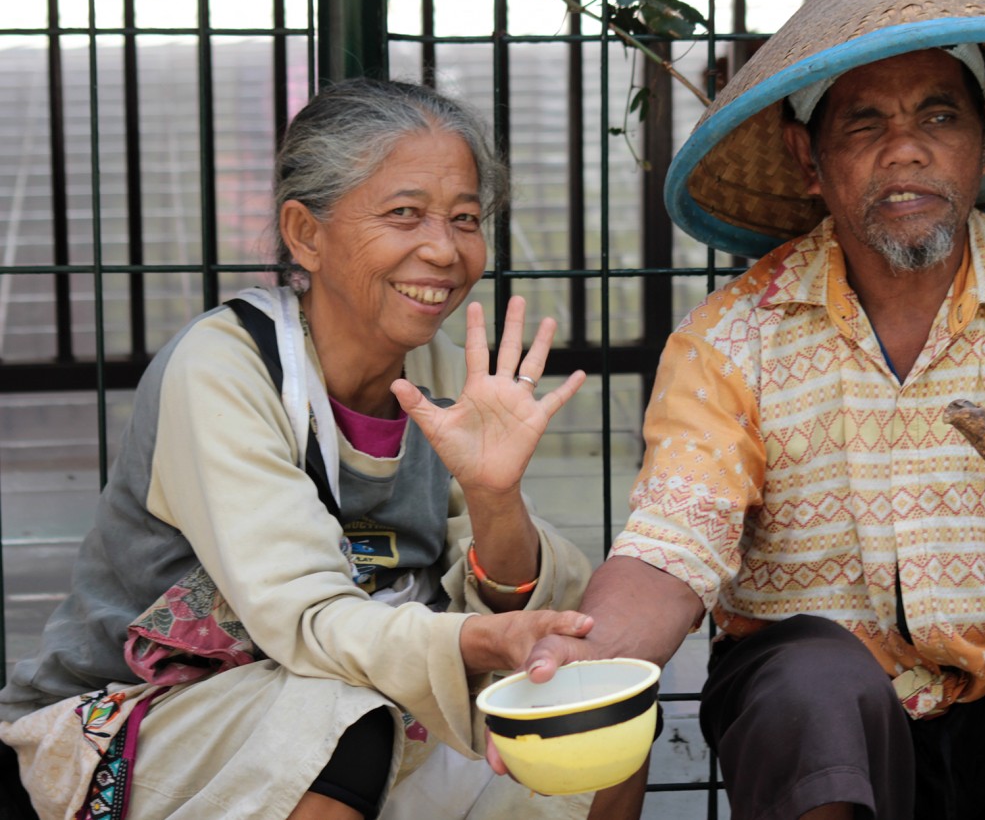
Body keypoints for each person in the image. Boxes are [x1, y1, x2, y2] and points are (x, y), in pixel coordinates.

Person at [521, 0, 985, 819]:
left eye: (939, 118)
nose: (906, 151)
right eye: (865, 123)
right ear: (807, 158)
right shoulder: (730, 337)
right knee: (810, 689)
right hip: (832, 716)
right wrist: (577, 666)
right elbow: (671, 548)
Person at [0, 78, 597, 820]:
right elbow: (308, 620)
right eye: (405, 214)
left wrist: (494, 495)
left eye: (466, 218)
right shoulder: (226, 367)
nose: (443, 250)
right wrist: (480, 638)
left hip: (354, 695)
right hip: (134, 722)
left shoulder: (446, 376)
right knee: (338, 721)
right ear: (305, 234)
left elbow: (517, 596)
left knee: (589, 730)